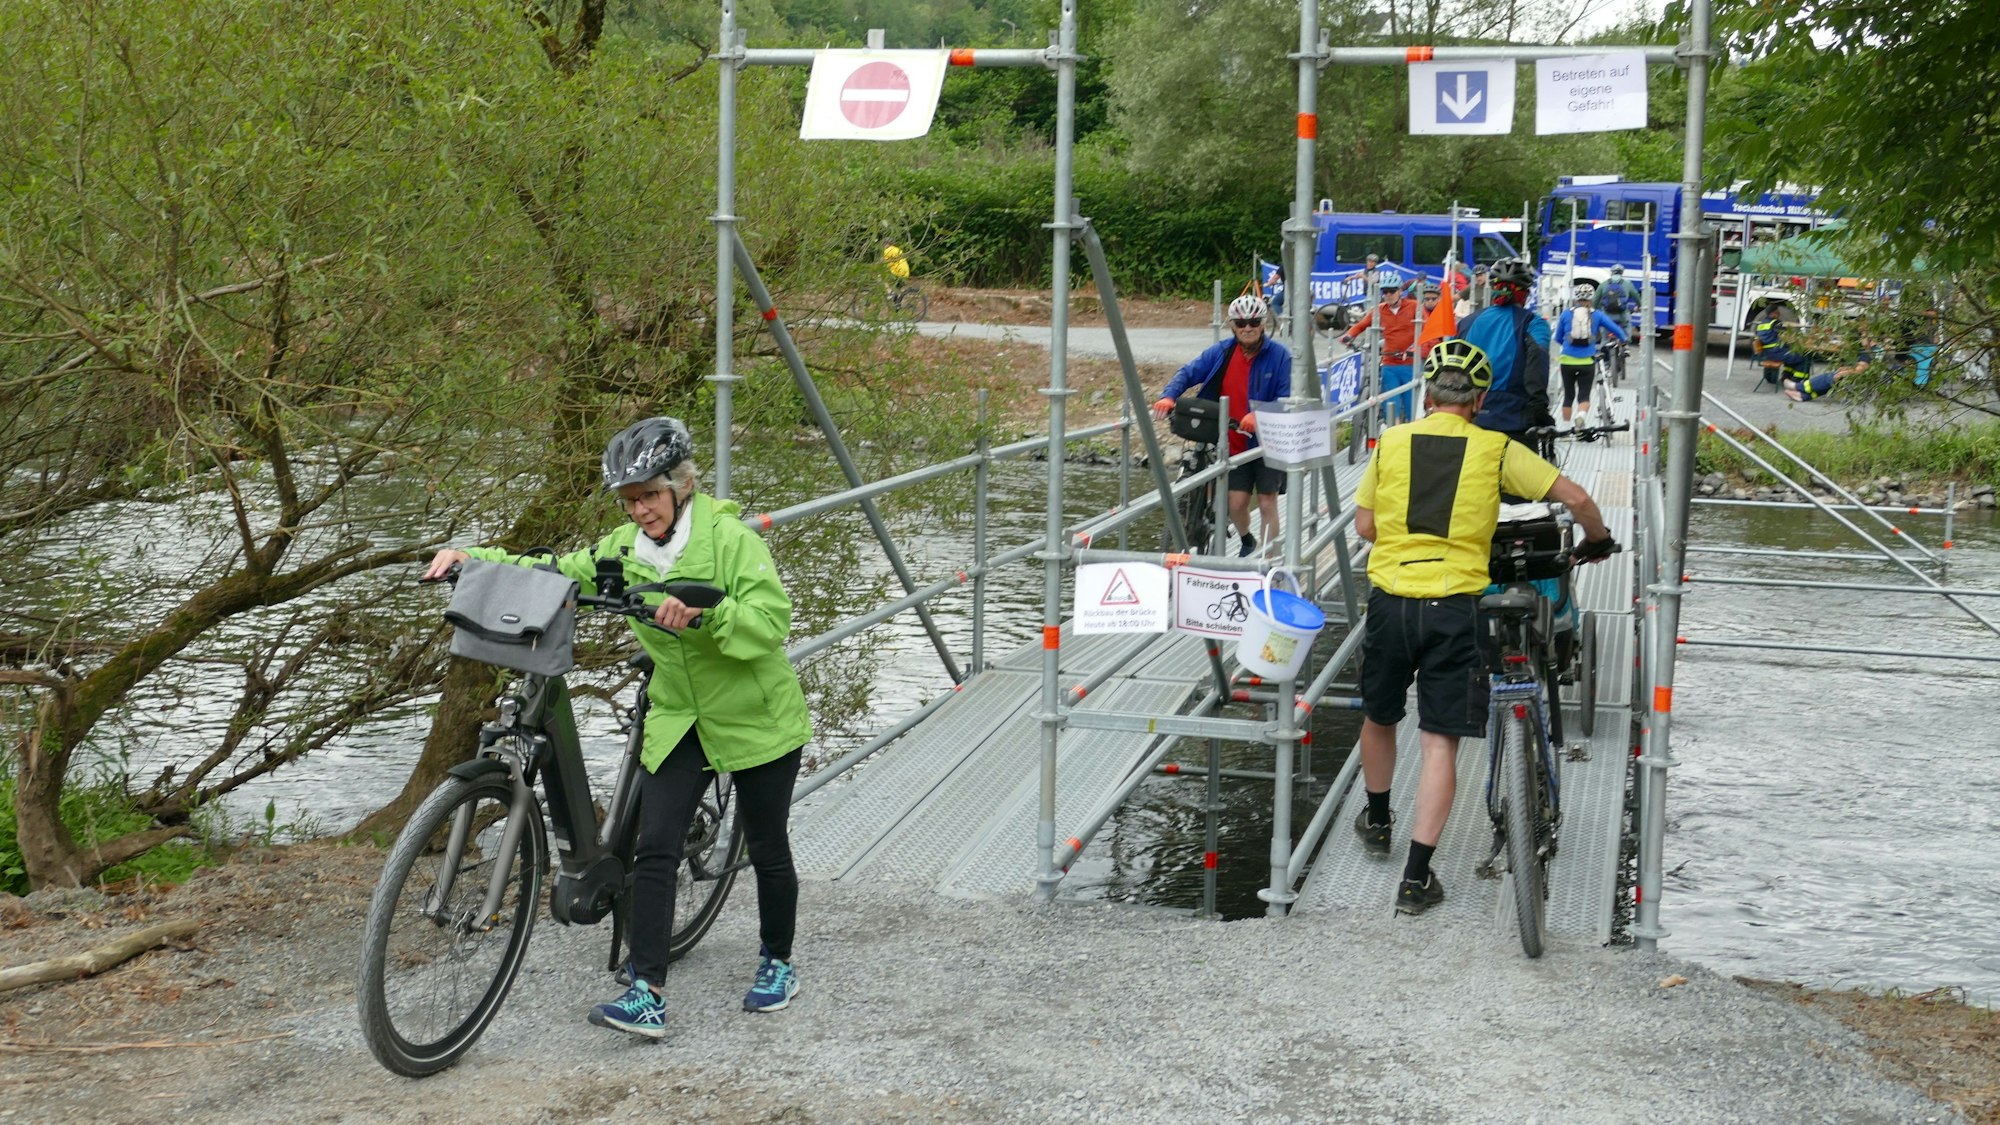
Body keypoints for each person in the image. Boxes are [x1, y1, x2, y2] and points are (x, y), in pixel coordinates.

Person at [422, 417, 813, 1038]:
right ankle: (646, 993)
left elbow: (771, 623)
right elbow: (550, 567)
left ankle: (778, 962)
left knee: (766, 845)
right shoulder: (623, 550)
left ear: (682, 486)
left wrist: (706, 615)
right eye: (629, 500)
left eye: (650, 495)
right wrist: (475, 559)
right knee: (654, 847)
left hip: (754, 712)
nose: (640, 510)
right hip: (679, 714)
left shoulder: (732, 540)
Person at [1349, 340, 1615, 916]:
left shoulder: (1391, 442)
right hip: (1455, 607)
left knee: (1380, 715)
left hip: (1392, 601)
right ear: (1481, 400)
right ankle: (1415, 880)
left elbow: (1366, 526)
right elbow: (1577, 498)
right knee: (1438, 741)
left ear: (1427, 395)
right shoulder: (1496, 449)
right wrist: (1597, 540)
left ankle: (1378, 819)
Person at [1152, 294, 1293, 557]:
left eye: (1254, 322)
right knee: (1235, 504)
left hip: (1269, 441)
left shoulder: (1280, 356)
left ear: (1263, 324)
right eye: (1241, 323)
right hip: (1233, 442)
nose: (1247, 328)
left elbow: (1288, 397)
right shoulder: (1222, 352)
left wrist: (1260, 414)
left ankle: (1268, 562)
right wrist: (1169, 396)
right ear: (1233, 326)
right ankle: (1247, 539)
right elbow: (1189, 372)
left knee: (1266, 502)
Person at [1455, 259, 1553, 446]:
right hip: (1514, 418)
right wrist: (1540, 410)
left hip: (1471, 416)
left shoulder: (1467, 322)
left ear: (1494, 289)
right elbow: (1537, 367)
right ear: (1526, 294)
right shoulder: (1534, 323)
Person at [1342, 274, 1422, 423]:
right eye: (1385, 291)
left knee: (1412, 408)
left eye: (1392, 291)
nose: (1388, 295)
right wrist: (1349, 336)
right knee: (1391, 407)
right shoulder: (1379, 310)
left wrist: (1414, 348)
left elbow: (1427, 330)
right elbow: (1361, 325)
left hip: (1411, 364)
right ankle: (1393, 431)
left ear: (1400, 291)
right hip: (1389, 363)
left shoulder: (1414, 306)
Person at [1555, 291, 1628, 427]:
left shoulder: (1566, 314)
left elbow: (1558, 338)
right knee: (1584, 394)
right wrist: (1623, 340)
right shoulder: (1597, 315)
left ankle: (1565, 428)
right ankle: (1581, 416)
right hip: (1587, 361)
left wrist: (1568, 346)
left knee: (1568, 396)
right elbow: (1616, 329)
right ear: (1591, 300)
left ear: (1576, 299)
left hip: (1567, 361)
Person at [1597, 265, 1641, 336]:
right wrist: (1639, 306)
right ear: (1622, 273)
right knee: (1626, 329)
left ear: (1611, 273)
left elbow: (1595, 300)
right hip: (1623, 315)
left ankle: (1605, 341)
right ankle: (1626, 341)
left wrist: (1597, 311)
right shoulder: (1628, 284)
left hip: (1607, 315)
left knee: (1605, 336)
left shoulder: (1603, 284)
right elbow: (1636, 297)